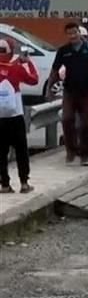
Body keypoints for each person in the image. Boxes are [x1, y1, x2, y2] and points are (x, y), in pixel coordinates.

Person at [49, 22, 88, 166]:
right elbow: (54, 71)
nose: (72, 36)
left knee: (85, 124)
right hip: (70, 91)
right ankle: (70, 152)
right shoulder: (63, 51)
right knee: (67, 119)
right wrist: (49, 90)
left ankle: (84, 153)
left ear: (79, 32)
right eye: (69, 33)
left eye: (75, 32)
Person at [0, 41, 39, 194]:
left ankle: (4, 184)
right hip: (15, 115)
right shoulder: (15, 68)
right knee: (21, 150)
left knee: (1, 151)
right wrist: (27, 62)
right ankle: (24, 183)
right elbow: (34, 79)